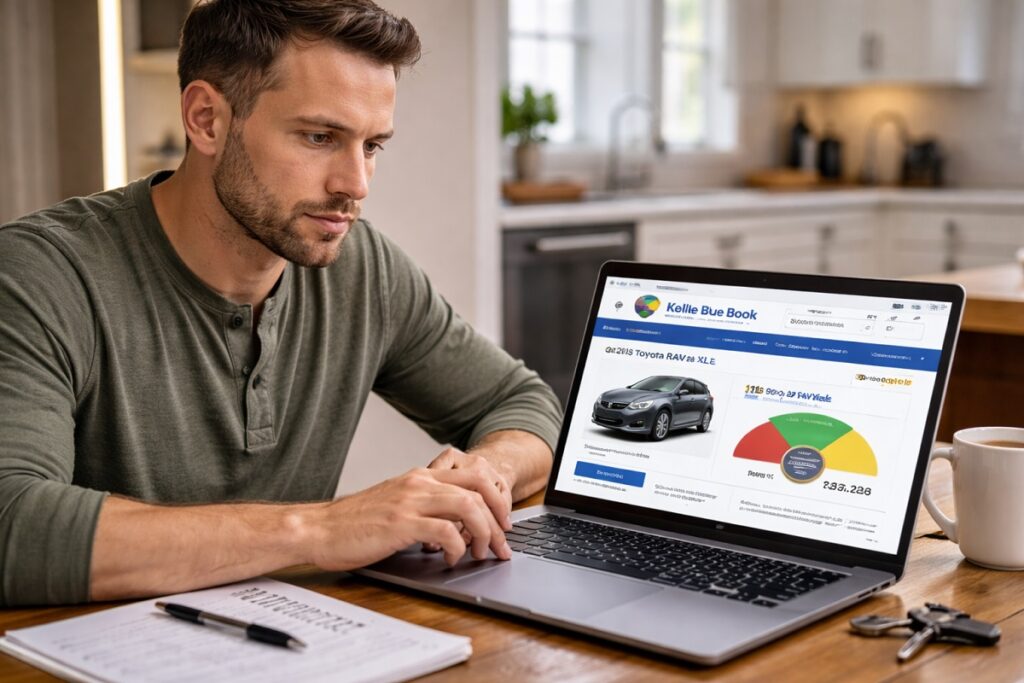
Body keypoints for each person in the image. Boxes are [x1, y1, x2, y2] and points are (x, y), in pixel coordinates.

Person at [0, 0, 561, 606]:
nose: (356, 184)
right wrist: (323, 528)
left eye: (372, 145)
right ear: (206, 119)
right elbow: (11, 520)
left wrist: (486, 476)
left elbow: (523, 404)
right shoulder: (39, 274)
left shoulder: (364, 268)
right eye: (320, 137)